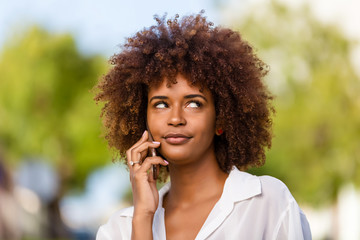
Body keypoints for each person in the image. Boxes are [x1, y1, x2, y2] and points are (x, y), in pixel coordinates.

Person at [94, 12, 312, 240]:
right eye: (160, 104)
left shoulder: (267, 202)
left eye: (194, 103)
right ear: (143, 119)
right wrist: (143, 219)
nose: (176, 118)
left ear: (220, 119)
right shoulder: (119, 229)